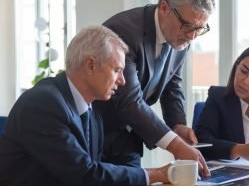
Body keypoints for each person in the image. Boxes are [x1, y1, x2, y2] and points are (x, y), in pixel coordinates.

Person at [0, 26, 171, 186]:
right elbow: (84, 175)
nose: (122, 81)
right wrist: (156, 174)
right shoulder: (42, 104)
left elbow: (103, 163)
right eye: (117, 70)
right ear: (91, 65)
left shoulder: (92, 108)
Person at [94, 0, 215, 176]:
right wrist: (174, 145)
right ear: (165, 8)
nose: (192, 36)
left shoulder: (182, 36)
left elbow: (172, 85)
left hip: (129, 138)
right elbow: (128, 101)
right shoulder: (123, 31)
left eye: (199, 29)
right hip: (96, 133)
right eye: (188, 26)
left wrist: (178, 125)